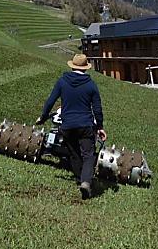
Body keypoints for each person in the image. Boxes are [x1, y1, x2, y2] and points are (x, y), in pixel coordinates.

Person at [35, 53, 107, 199]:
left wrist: (43, 117)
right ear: (85, 68)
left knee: (74, 154)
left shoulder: (62, 82)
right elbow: (97, 109)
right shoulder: (91, 85)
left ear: (72, 66)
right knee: (88, 155)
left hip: (67, 126)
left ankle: (80, 179)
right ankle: (86, 182)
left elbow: (50, 101)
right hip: (85, 125)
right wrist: (100, 127)